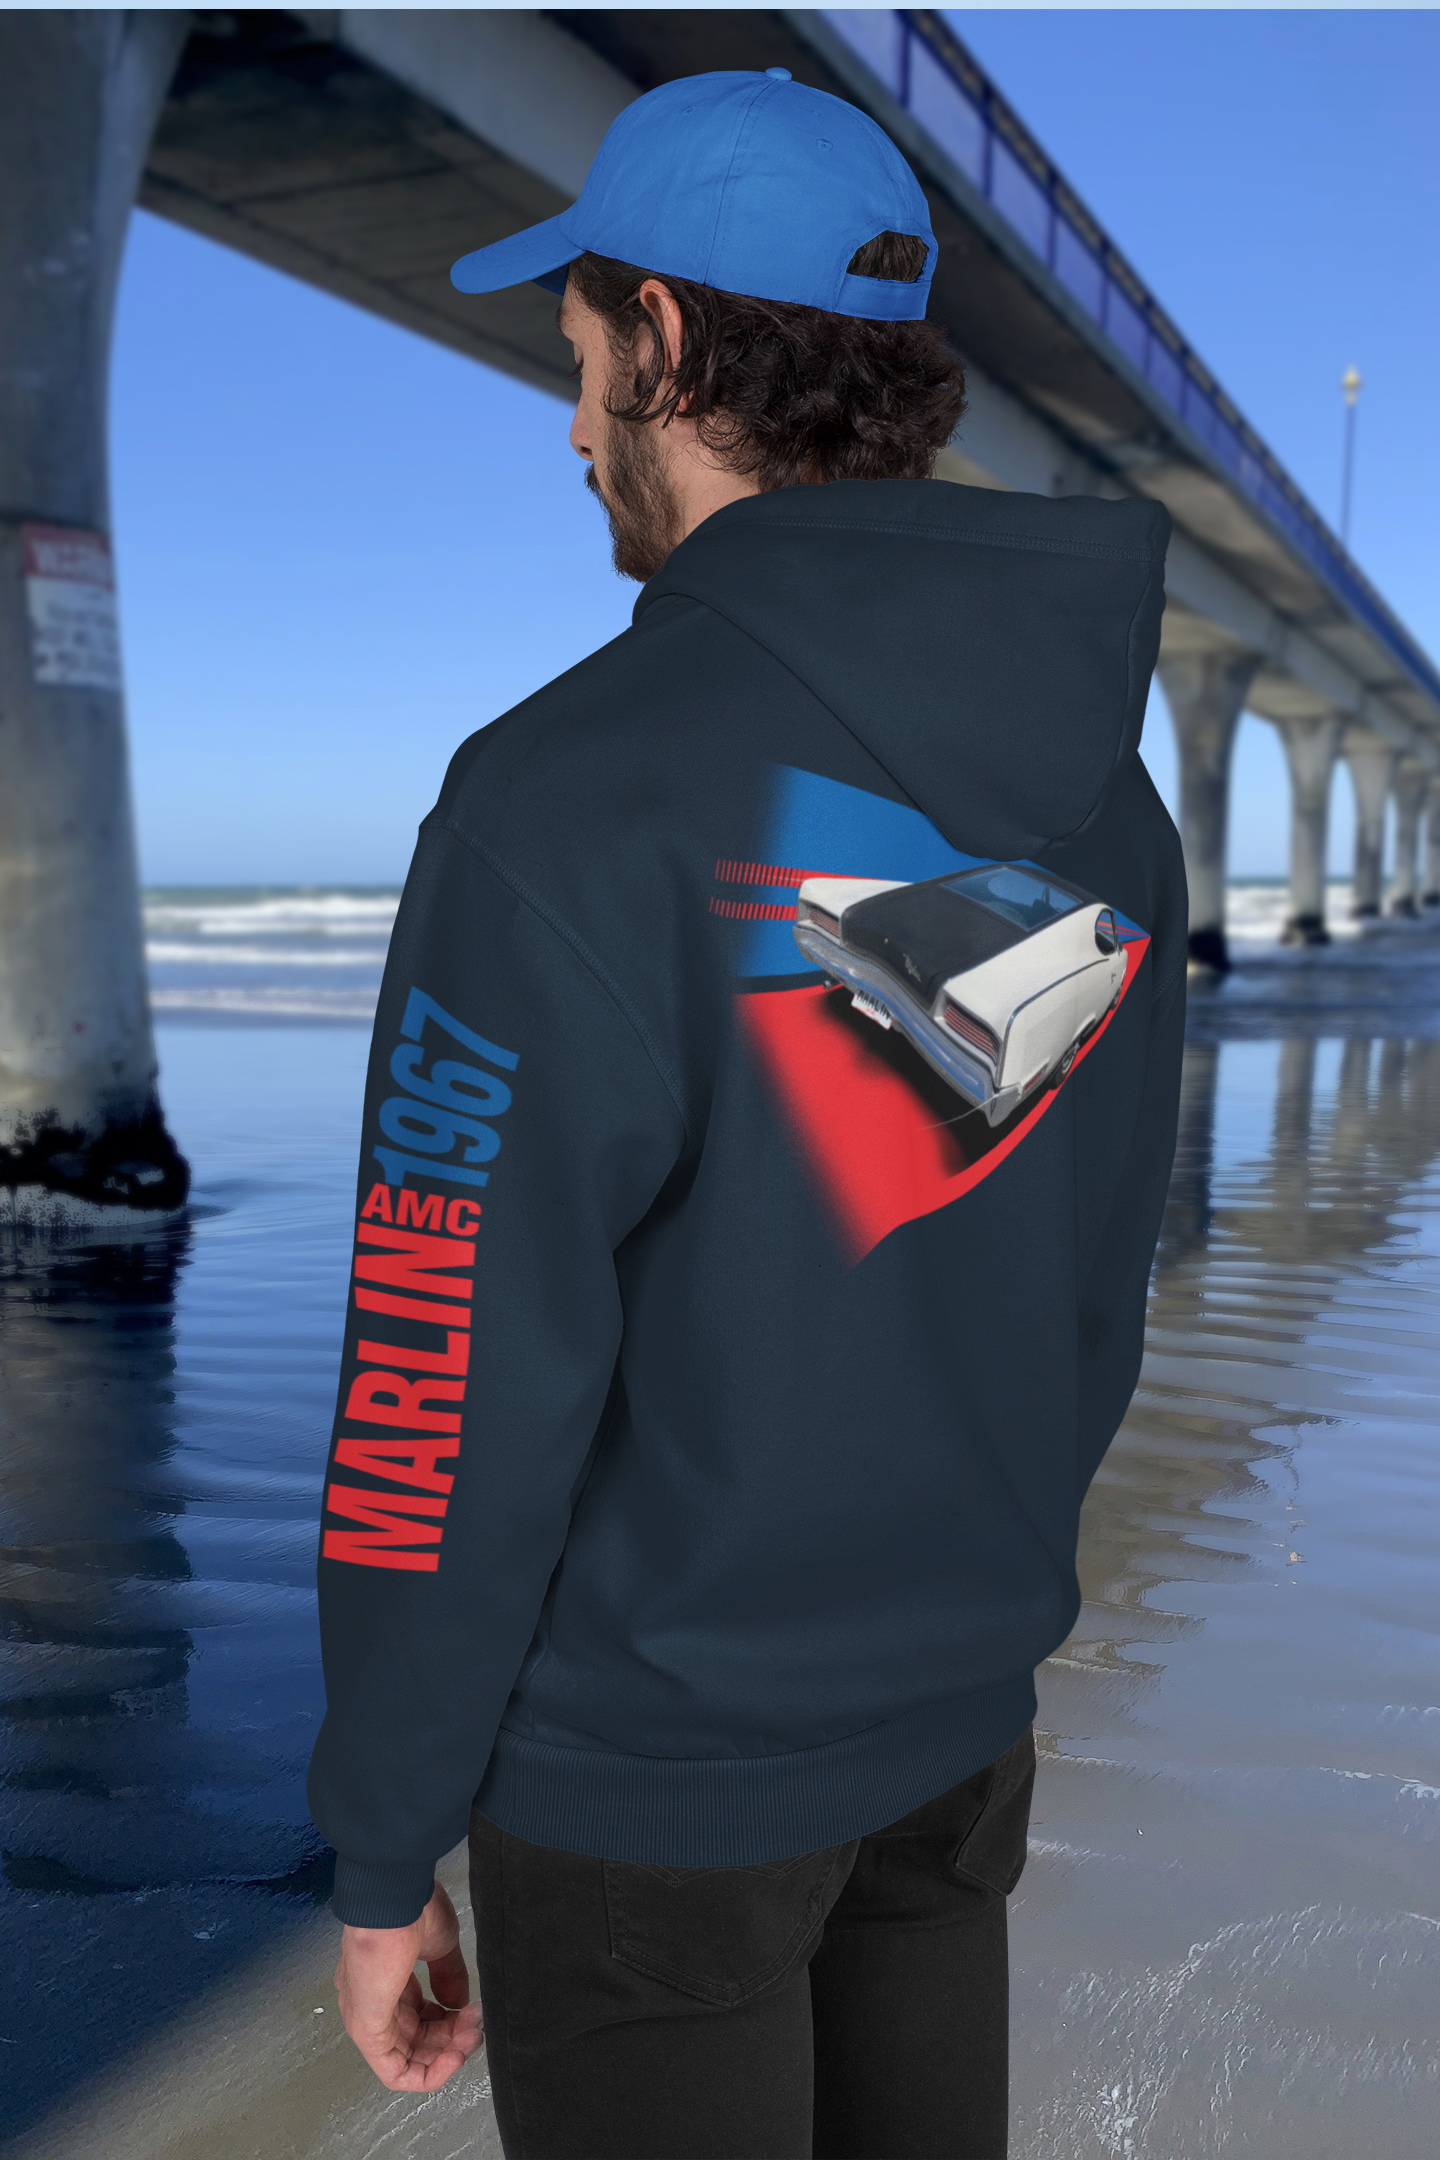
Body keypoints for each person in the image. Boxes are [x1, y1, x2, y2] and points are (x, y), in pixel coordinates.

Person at [307, 65, 1185, 2160]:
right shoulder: (1109, 798)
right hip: (955, 1732)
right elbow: (1084, 1290)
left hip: (648, 1790)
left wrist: (379, 1843)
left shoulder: (564, 800)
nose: (576, 414)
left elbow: (445, 1377)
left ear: (672, 342)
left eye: (585, 351)